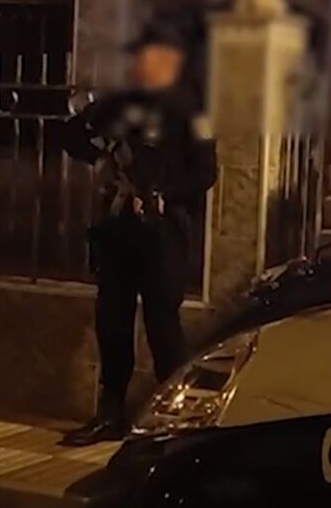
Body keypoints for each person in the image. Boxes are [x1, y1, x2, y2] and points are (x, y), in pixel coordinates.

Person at [60, 23, 217, 446]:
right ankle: (110, 415)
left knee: (163, 327)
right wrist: (100, 154)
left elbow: (206, 173)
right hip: (117, 230)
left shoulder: (192, 112)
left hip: (162, 234)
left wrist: (166, 194)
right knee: (112, 322)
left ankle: (174, 419)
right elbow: (70, 136)